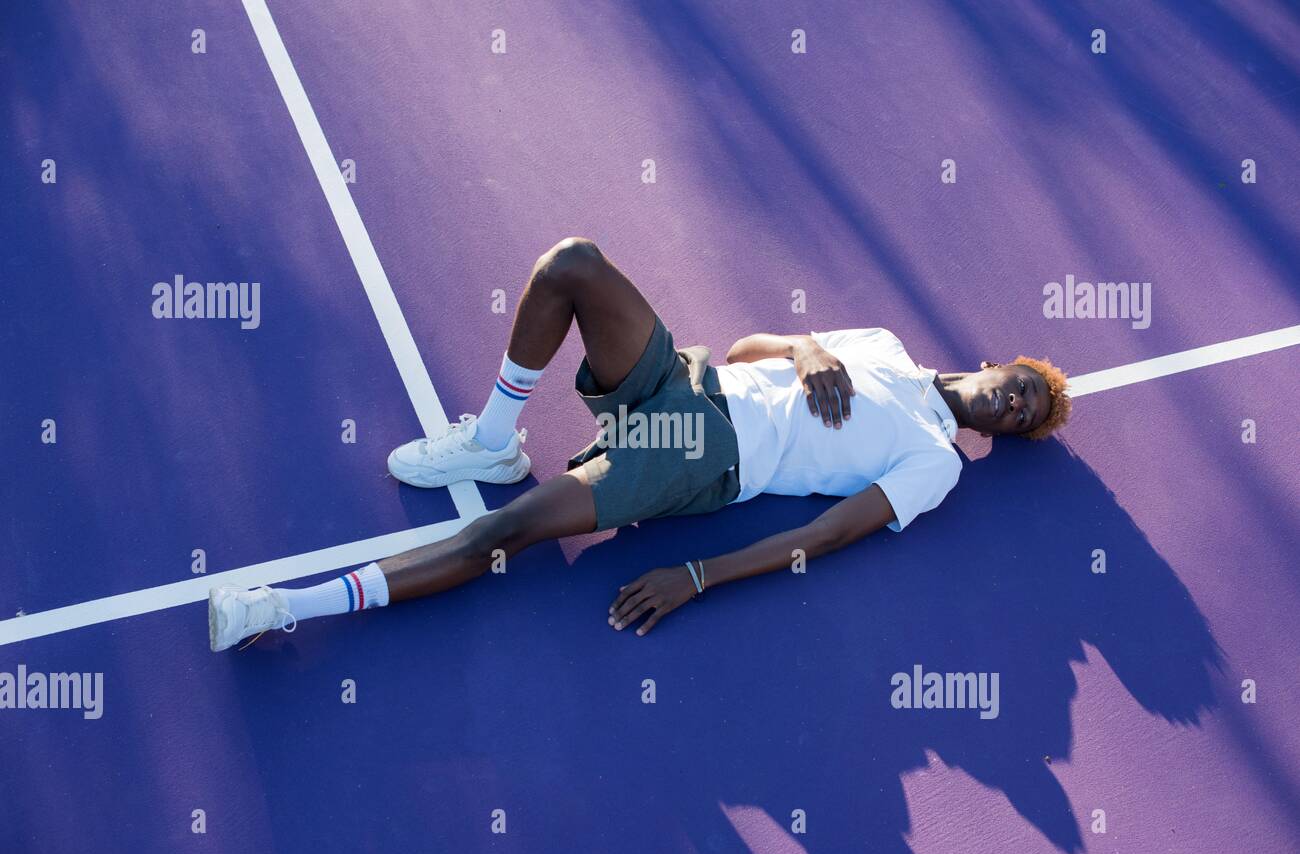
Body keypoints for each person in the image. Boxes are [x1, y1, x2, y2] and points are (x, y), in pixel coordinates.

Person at [209, 238, 1070, 651]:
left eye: (1026, 414)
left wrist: (700, 576)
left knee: (501, 535)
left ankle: (281, 608)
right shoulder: (881, 343)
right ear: (997, 363)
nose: (1018, 401)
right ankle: (491, 442)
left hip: (701, 456)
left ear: (1003, 433)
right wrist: (806, 344)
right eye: (1025, 383)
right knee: (571, 265)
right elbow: (742, 352)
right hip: (689, 383)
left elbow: (827, 536)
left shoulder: (935, 463)